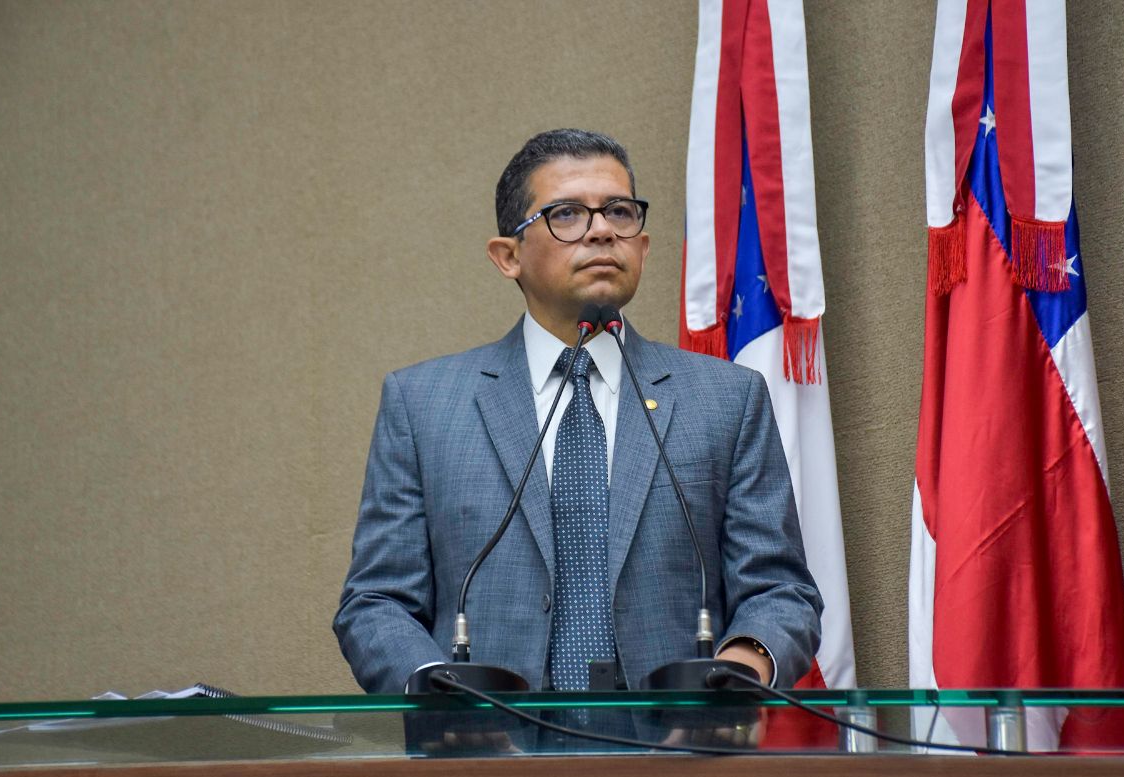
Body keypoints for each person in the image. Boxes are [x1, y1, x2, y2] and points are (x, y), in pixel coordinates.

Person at [334, 128, 822, 701]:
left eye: (619, 211)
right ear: (507, 256)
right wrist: (432, 688)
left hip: (681, 759)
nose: (601, 230)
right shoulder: (422, 405)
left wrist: (741, 666)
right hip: (487, 761)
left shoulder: (726, 399)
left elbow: (780, 590)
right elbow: (376, 602)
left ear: (643, 246)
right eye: (566, 214)